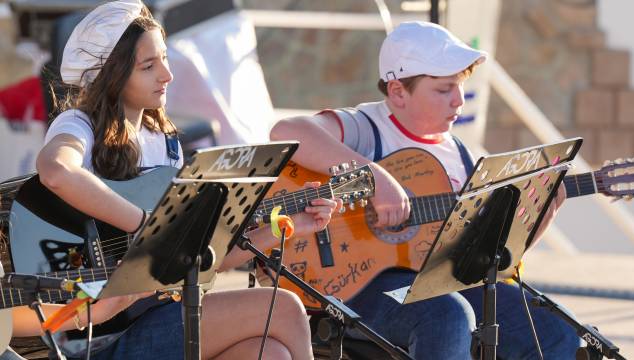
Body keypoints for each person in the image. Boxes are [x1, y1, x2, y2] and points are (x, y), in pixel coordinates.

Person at [10, 1, 339, 359]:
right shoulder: (79, 125)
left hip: (156, 316)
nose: (166, 74)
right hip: (99, 334)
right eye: (149, 66)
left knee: (270, 352)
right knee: (286, 308)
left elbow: (196, 260)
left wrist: (281, 229)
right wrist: (146, 227)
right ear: (112, 74)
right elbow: (56, 171)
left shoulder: (165, 146)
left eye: (164, 59)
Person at [271, 21, 580, 360]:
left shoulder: (462, 156)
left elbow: (478, 262)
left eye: (460, 86)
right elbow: (286, 132)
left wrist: (532, 224)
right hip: (353, 284)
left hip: (435, 283)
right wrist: (375, 177)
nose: (459, 100)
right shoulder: (366, 127)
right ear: (398, 92)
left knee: (554, 330)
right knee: (446, 316)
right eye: (444, 89)